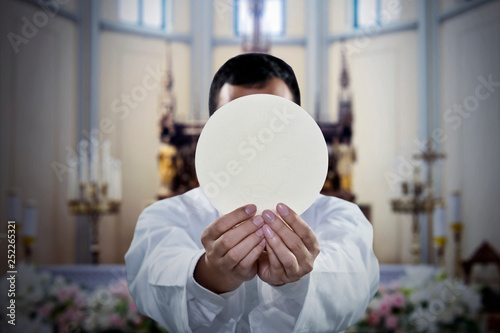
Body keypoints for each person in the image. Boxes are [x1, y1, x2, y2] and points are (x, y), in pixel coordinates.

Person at [125, 53, 379, 333]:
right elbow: (150, 282)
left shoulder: (342, 216)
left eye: (274, 123)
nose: (258, 140)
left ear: (299, 127)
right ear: (212, 129)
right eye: (238, 123)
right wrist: (210, 275)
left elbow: (354, 285)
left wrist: (299, 280)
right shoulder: (164, 216)